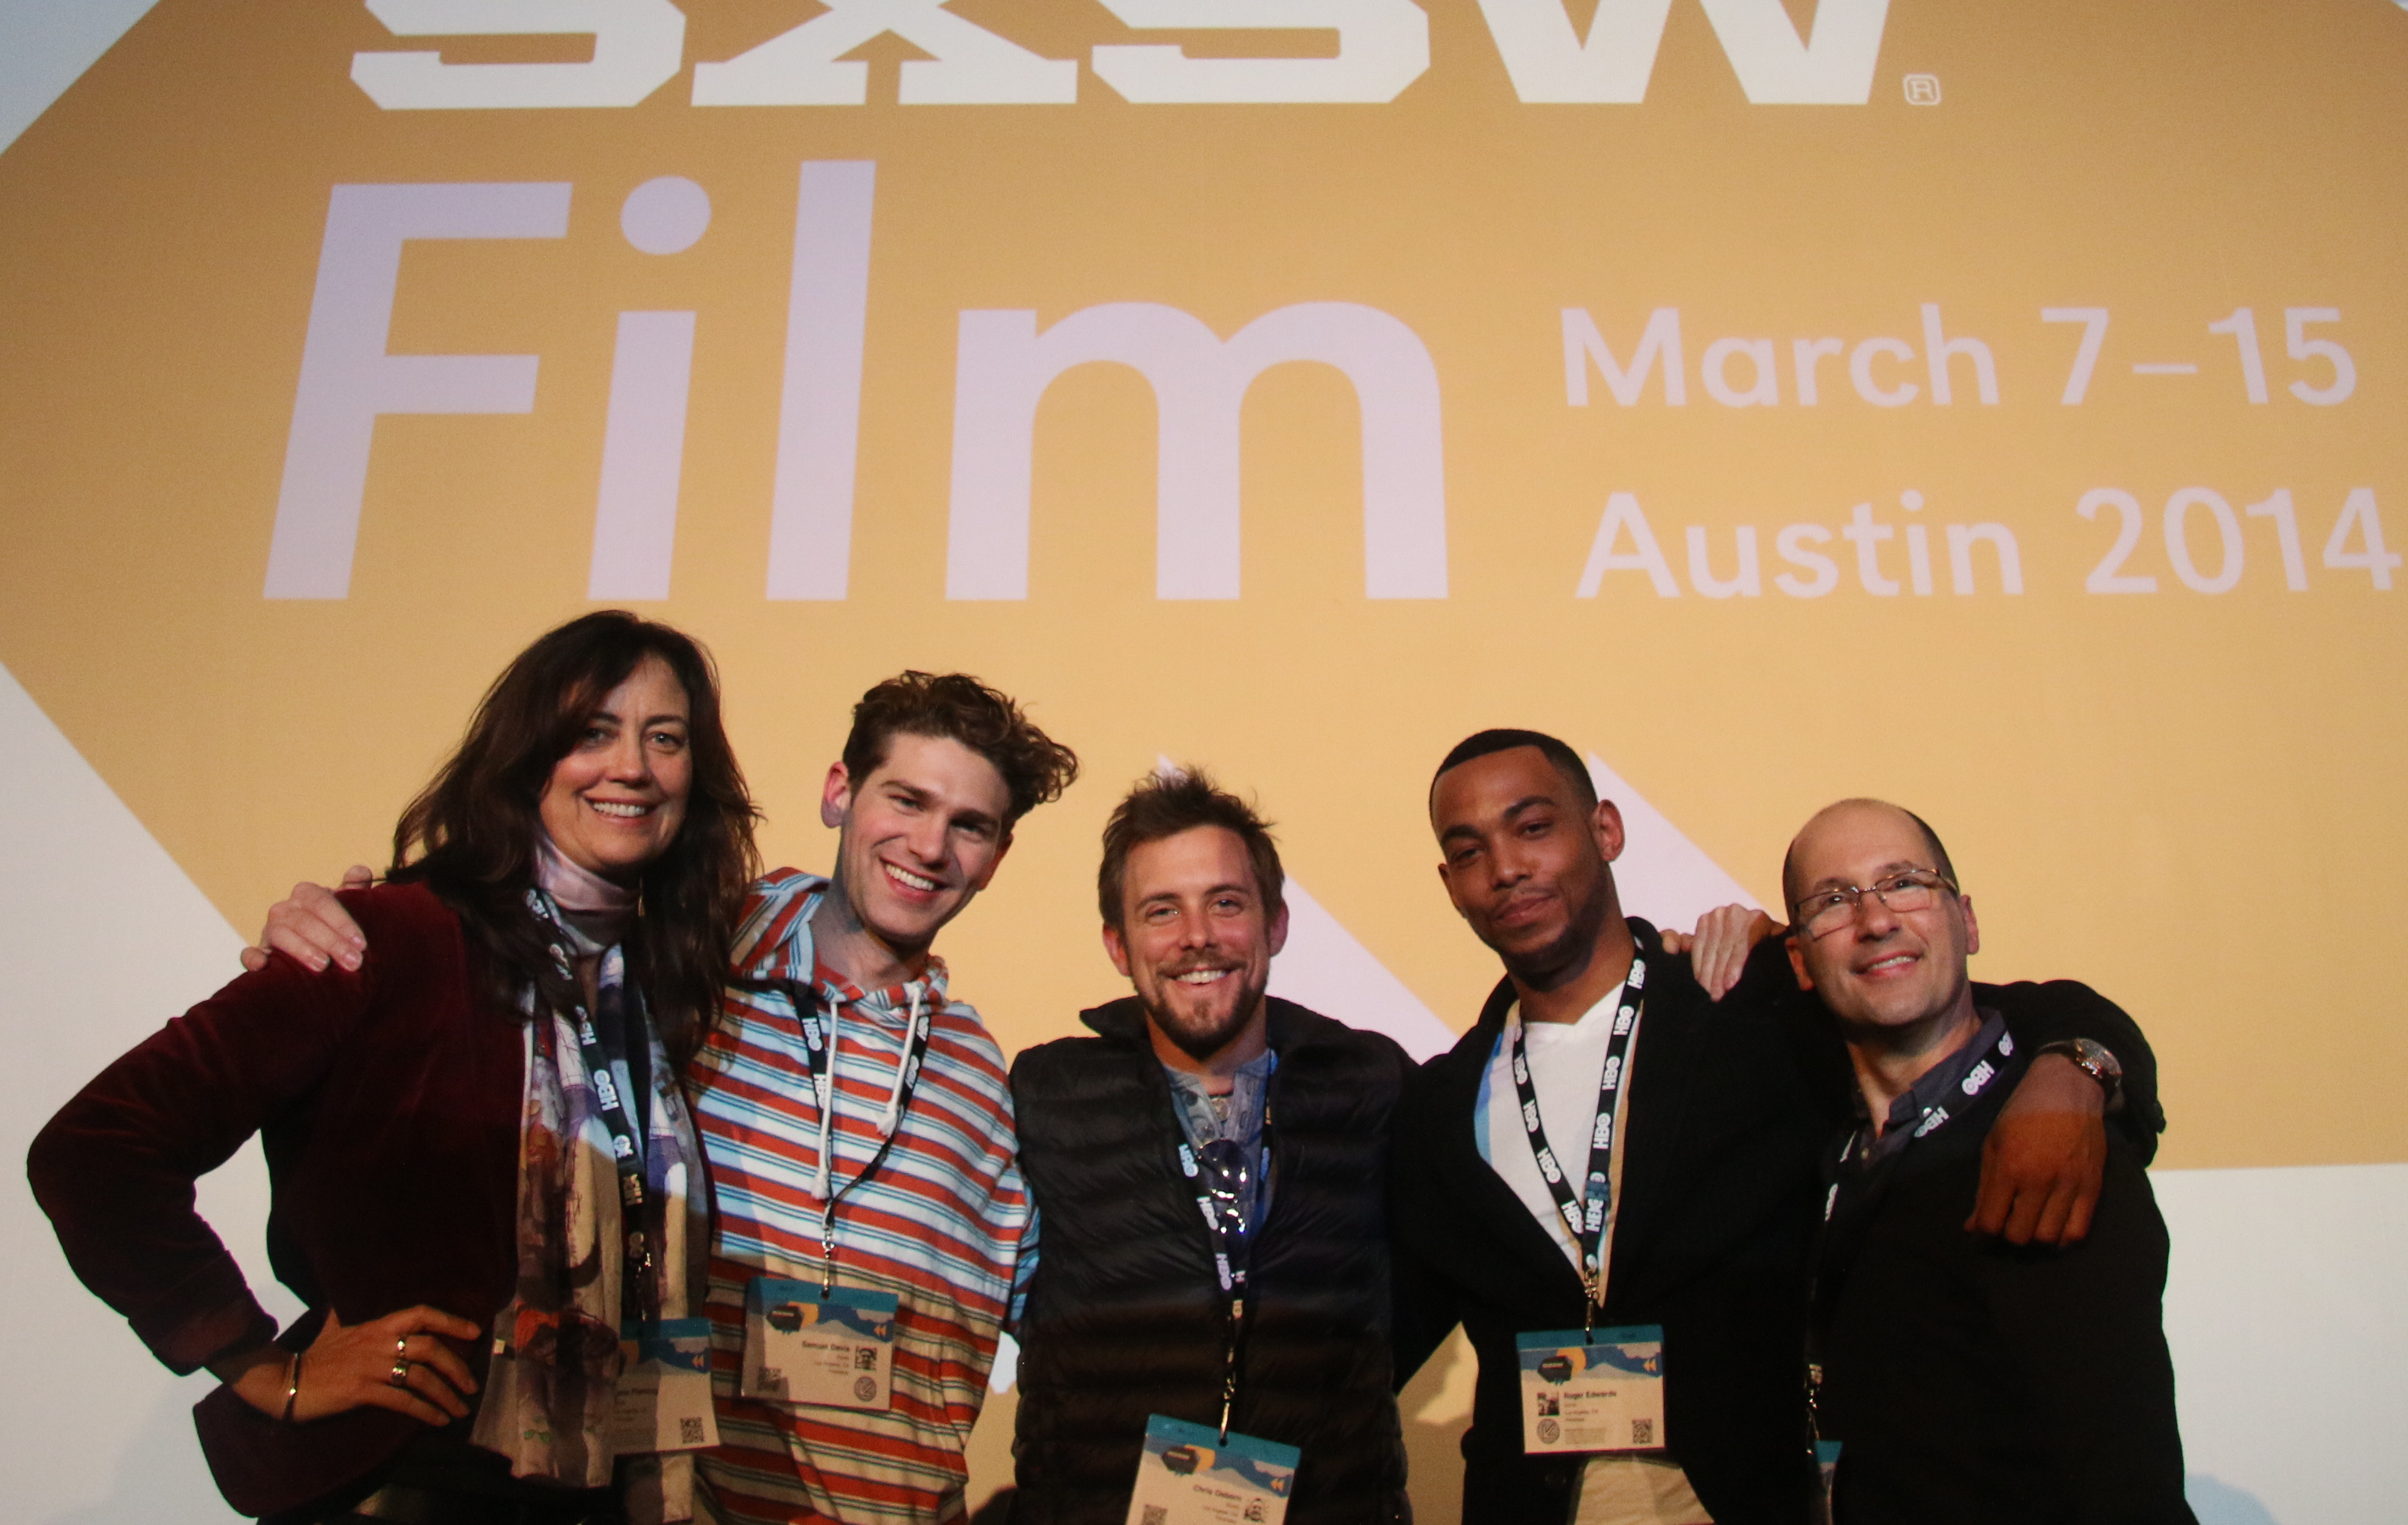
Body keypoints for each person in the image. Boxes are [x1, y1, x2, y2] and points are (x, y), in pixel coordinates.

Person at [258, 671, 1080, 1525]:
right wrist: (350, 935)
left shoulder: (979, 1077)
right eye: (905, 800)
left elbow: (1059, 1305)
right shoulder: (662, 964)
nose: (929, 846)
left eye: (970, 826)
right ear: (839, 792)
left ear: (997, 858)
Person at [29, 610, 759, 1523]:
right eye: (592, 732)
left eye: (665, 738)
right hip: (403, 1486)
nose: (632, 768)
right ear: (528, 754)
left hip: (597, 1492)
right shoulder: (389, 937)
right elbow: (95, 1150)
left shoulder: (661, 990)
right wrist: (259, 1366)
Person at [1390, 730, 2163, 1525]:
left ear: (1605, 829)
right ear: (1449, 883)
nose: (1507, 867)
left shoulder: (1747, 1001)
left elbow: (1971, 1009)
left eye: (1531, 827)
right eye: (1470, 849)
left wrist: (2074, 1066)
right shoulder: (1438, 1107)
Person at [1004, 769, 1412, 1524]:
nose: (1198, 936)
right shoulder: (1045, 1094)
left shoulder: (1369, 1085)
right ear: (1118, 945)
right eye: (1162, 911)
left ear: (1275, 924)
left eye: (1226, 903)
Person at [1775, 798, 2192, 1524]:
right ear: (1799, 960)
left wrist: (2079, 1066)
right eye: (1835, 900)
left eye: (1905, 882)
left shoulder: (2053, 1146)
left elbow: (2120, 1476)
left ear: (1965, 921)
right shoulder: (1817, 1135)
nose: (1877, 920)